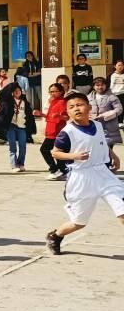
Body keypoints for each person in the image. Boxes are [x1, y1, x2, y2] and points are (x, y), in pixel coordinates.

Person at [45, 92, 124, 255]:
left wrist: (113, 156)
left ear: (89, 107)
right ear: (67, 112)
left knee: (122, 209)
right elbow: (55, 153)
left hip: (104, 173)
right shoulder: (67, 132)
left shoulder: (98, 125)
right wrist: (74, 156)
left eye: (80, 105)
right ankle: (56, 235)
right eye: (71, 107)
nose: (76, 109)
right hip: (82, 178)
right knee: (79, 222)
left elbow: (102, 143)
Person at [0, 82, 35, 172]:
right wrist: (13, 84)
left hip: (22, 126)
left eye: (19, 90)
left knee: (23, 146)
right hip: (11, 126)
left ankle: (21, 163)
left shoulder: (25, 102)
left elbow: (28, 115)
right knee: (12, 146)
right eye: (15, 90)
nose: (17, 92)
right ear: (12, 92)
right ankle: (14, 165)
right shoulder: (8, 100)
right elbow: (2, 94)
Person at [87, 76, 122, 170]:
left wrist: (106, 115)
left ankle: (107, 166)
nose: (100, 87)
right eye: (97, 85)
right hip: (94, 126)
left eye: (102, 85)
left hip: (108, 128)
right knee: (97, 148)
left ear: (106, 85)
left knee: (107, 148)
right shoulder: (89, 97)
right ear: (93, 86)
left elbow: (119, 109)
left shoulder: (112, 97)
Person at [36, 83, 69, 180]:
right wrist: (41, 114)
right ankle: (61, 171)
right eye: (51, 91)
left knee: (45, 150)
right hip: (50, 130)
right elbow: (50, 116)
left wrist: (59, 116)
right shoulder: (53, 101)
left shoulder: (63, 102)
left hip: (58, 131)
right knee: (56, 151)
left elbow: (67, 117)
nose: (53, 93)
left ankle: (55, 170)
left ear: (61, 91)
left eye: (55, 91)